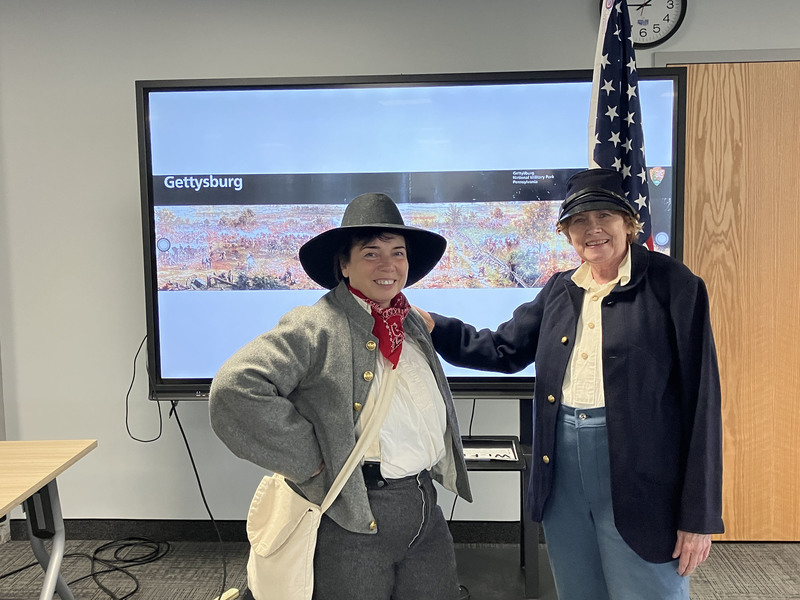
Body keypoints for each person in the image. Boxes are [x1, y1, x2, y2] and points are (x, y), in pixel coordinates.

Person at [417, 168, 724, 600]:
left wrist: (699, 516)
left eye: (605, 216)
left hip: (643, 479)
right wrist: (436, 328)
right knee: (580, 591)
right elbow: (504, 349)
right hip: (561, 471)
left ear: (629, 222)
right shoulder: (560, 288)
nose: (593, 229)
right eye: (579, 221)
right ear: (566, 233)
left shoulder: (675, 286)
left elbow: (702, 403)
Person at [209, 192, 472, 600]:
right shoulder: (317, 324)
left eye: (397, 252)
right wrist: (311, 460)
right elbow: (235, 387)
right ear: (344, 264)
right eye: (371, 253)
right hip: (354, 513)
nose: (388, 265)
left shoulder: (409, 321)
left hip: (422, 505)